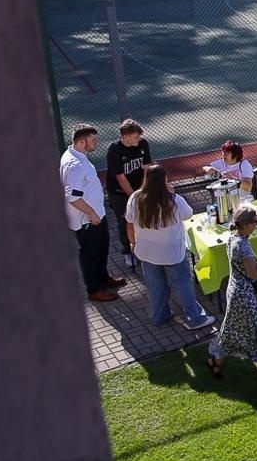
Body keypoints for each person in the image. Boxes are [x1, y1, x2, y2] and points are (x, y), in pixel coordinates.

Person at [125, 164, 214, 330]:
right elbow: (188, 214)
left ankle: (159, 316)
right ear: (164, 180)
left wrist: (133, 242)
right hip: (172, 252)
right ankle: (195, 318)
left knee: (154, 286)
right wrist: (173, 194)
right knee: (182, 284)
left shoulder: (135, 198)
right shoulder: (173, 200)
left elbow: (129, 225)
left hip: (146, 252)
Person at [203, 207, 257, 384]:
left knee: (232, 332)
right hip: (245, 297)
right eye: (255, 223)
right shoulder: (242, 245)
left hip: (235, 293)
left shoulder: (234, 238)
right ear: (247, 224)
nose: (256, 226)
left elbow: (247, 265)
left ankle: (214, 362)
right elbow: (254, 274)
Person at [61, 125, 124, 303]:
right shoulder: (75, 166)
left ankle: (103, 279)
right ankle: (94, 289)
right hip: (87, 220)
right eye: (93, 140)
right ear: (82, 142)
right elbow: (72, 197)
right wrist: (91, 214)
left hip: (97, 215)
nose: (96, 143)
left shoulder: (77, 156)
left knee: (102, 248)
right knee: (90, 254)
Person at [105, 119, 151, 272]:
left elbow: (147, 168)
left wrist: (143, 190)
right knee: (125, 221)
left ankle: (144, 249)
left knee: (143, 218)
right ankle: (128, 252)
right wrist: (133, 197)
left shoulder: (143, 144)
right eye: (136, 137)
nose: (139, 139)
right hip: (120, 194)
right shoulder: (114, 151)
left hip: (139, 190)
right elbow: (120, 177)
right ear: (126, 137)